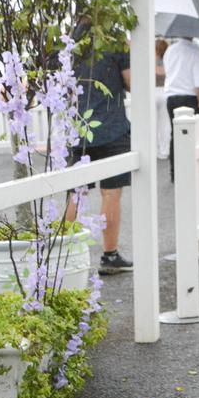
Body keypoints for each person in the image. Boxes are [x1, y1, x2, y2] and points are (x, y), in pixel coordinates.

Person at [65, 17, 133, 275]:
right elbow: (132, 82)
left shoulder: (69, 42)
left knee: (76, 192)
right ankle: (110, 255)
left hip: (77, 128)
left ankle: (64, 253)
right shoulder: (115, 42)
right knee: (111, 192)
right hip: (111, 127)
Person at [162, 36, 199, 179]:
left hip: (171, 97)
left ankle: (175, 171)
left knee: (175, 135)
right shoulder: (196, 52)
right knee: (191, 136)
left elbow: (168, 71)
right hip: (189, 97)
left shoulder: (170, 50)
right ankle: (190, 171)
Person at [154, 38, 170, 160]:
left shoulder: (150, 60)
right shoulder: (168, 60)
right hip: (165, 92)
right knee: (165, 123)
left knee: (153, 124)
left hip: (153, 92)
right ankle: (164, 150)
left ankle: (154, 149)